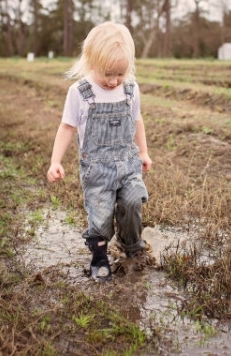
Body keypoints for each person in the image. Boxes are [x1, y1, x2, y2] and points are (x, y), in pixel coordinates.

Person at [47, 22, 152, 282]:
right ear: (91, 62)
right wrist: (55, 161)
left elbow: (137, 120)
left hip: (128, 164)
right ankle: (99, 255)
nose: (114, 81)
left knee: (132, 202)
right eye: (108, 74)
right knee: (101, 217)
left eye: (120, 73)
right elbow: (67, 127)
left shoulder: (131, 89)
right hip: (97, 169)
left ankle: (132, 245)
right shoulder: (80, 92)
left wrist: (144, 153)